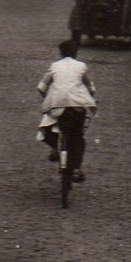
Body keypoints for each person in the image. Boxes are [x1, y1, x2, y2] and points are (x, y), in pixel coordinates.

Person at [37, 39, 97, 182]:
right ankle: (76, 169)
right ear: (76, 53)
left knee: (48, 128)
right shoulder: (81, 66)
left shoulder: (54, 66)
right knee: (78, 137)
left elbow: (41, 87)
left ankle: (55, 150)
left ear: (61, 53)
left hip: (57, 107)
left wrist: (48, 99)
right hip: (77, 107)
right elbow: (91, 88)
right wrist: (91, 97)